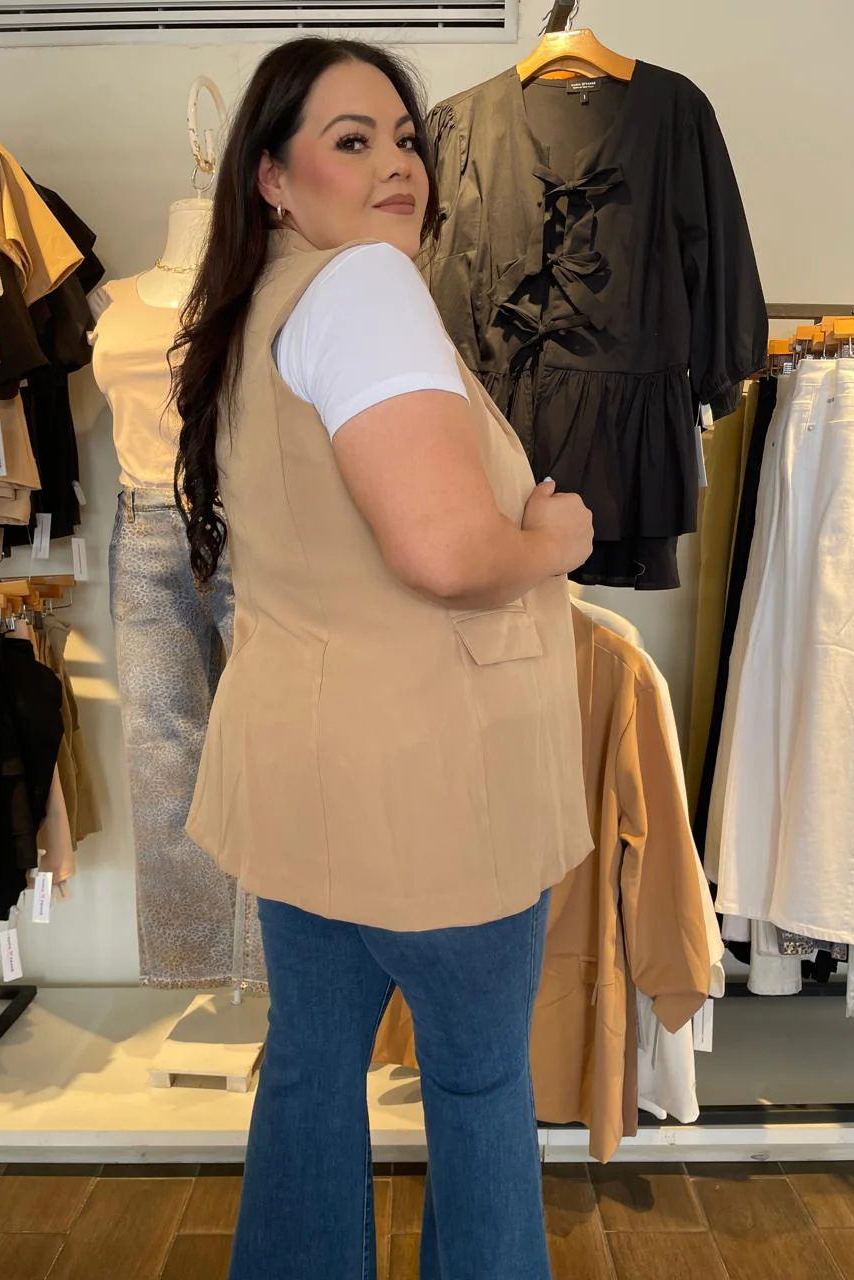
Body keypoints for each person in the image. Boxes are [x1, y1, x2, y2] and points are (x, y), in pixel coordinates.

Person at [173, 36, 595, 1280]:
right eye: (351, 141)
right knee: (477, 1079)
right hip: (433, 783)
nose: (397, 163)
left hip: (306, 777)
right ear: (271, 176)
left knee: (312, 1064)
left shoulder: (258, 308)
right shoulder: (365, 287)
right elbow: (446, 550)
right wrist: (555, 539)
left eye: (405, 138)